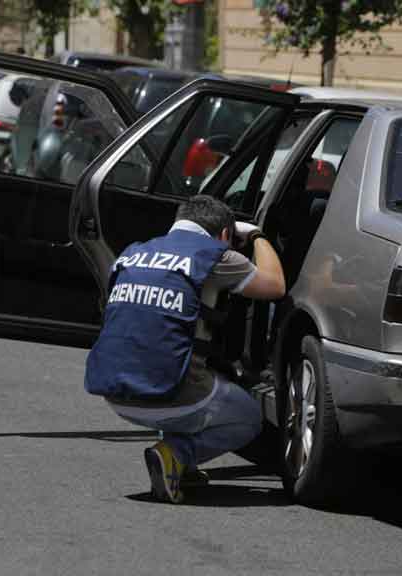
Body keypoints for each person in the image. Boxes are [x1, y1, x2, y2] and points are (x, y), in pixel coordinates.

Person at [84, 195, 285, 504]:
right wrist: (257, 235)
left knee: (175, 356)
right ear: (223, 236)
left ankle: (181, 468)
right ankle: (178, 454)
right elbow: (275, 285)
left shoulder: (132, 253)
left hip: (115, 392)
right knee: (249, 417)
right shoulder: (216, 255)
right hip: (170, 395)